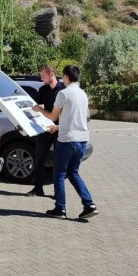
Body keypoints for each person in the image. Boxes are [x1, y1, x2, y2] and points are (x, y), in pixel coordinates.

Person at [33, 65, 98, 220]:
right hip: (82, 140)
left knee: (59, 175)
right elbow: (76, 118)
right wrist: (58, 127)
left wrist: (39, 110)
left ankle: (60, 209)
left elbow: (52, 116)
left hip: (67, 141)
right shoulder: (83, 94)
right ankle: (89, 205)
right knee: (73, 173)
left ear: (66, 77)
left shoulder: (63, 93)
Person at [27, 65, 65, 197]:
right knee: (39, 158)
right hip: (46, 129)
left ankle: (58, 192)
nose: (41, 77)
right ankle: (38, 189)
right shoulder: (42, 89)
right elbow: (36, 107)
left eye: (43, 75)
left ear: (51, 74)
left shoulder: (63, 90)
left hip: (60, 129)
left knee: (59, 161)